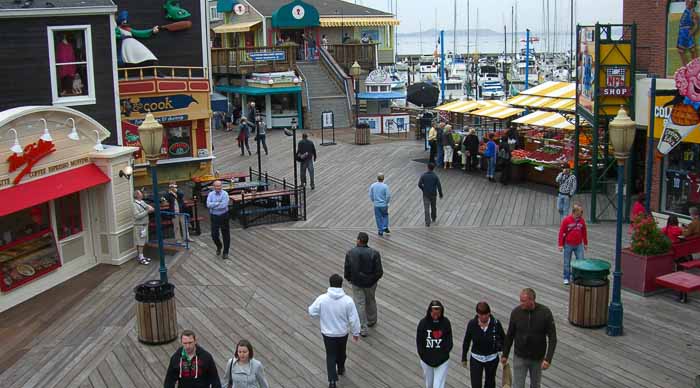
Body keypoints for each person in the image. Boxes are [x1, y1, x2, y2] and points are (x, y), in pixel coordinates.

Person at [308, 274, 361, 388]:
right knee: (342, 352)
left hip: (328, 334)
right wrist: (356, 332)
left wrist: (320, 313)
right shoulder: (348, 301)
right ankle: (341, 367)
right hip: (342, 333)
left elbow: (311, 311)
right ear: (341, 284)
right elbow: (354, 319)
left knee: (330, 355)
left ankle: (332, 382)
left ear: (330, 284)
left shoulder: (322, 299)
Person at [501, 288, 557, 388]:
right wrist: (505, 354)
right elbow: (510, 335)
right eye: (520, 300)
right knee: (518, 385)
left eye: (523, 301)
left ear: (532, 300)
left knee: (535, 385)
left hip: (537, 358)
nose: (520, 303)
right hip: (520, 356)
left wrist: (548, 359)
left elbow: (553, 338)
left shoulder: (545, 313)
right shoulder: (516, 313)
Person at [344, 232, 383, 337]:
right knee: (371, 300)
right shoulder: (375, 253)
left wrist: (350, 279)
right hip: (371, 283)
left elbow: (347, 270)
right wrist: (373, 280)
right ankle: (372, 320)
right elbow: (379, 272)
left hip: (356, 282)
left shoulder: (350, 253)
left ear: (358, 240)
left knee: (359, 304)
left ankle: (363, 328)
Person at [461, 302, 506, 388]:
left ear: (489, 313)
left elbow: (504, 339)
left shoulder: (496, 324)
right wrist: (464, 357)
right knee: (476, 384)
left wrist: (505, 355)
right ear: (477, 314)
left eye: (486, 314)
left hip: (492, 358)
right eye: (481, 315)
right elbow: (466, 341)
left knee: (490, 383)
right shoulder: (472, 324)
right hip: (476, 358)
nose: (484, 317)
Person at [416, 300, 453, 388]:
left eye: (438, 313)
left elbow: (449, 339)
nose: (436, 316)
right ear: (430, 312)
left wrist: (445, 352)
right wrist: (422, 355)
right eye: (434, 314)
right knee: (429, 384)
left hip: (442, 360)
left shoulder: (445, 322)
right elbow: (419, 341)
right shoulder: (423, 323)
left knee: (438, 385)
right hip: (426, 360)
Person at [558, 204, 588, 285]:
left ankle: (577, 277)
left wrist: (585, 243)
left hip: (578, 244)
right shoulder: (567, 220)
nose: (582, 213)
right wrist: (560, 244)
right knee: (567, 262)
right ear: (575, 212)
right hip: (568, 244)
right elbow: (561, 232)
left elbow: (584, 232)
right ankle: (566, 277)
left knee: (581, 261)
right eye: (580, 211)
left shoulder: (581, 221)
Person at [206, 180, 230, 260]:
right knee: (214, 234)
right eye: (216, 186)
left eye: (219, 186)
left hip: (224, 215)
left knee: (225, 234)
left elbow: (224, 205)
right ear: (213, 187)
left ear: (221, 186)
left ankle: (225, 252)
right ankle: (219, 246)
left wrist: (214, 204)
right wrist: (217, 203)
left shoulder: (225, 194)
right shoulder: (210, 194)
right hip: (214, 216)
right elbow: (208, 205)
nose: (218, 188)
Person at [419, 163, 444, 227]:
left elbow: (419, 184)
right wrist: (440, 194)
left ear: (427, 167)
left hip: (426, 194)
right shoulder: (435, 176)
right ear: (433, 168)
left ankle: (427, 222)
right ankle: (434, 217)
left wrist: (423, 189)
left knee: (426, 208)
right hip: (433, 194)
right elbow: (439, 186)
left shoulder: (423, 175)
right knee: (433, 206)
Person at [133, 190, 154, 265]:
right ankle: (141, 257)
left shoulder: (142, 202)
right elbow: (137, 216)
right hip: (139, 226)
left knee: (144, 241)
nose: (142, 194)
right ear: (137, 195)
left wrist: (148, 209)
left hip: (145, 224)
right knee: (140, 242)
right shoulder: (134, 205)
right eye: (140, 193)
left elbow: (151, 208)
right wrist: (147, 211)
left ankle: (142, 256)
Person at [678, 0, 698, 66]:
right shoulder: (686, 10)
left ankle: (695, 66)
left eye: (690, 2)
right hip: (681, 32)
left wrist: (692, 32)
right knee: (680, 51)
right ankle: (685, 67)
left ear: (693, 4)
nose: (687, 2)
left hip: (687, 31)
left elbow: (696, 25)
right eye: (687, 1)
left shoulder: (693, 13)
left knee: (692, 50)